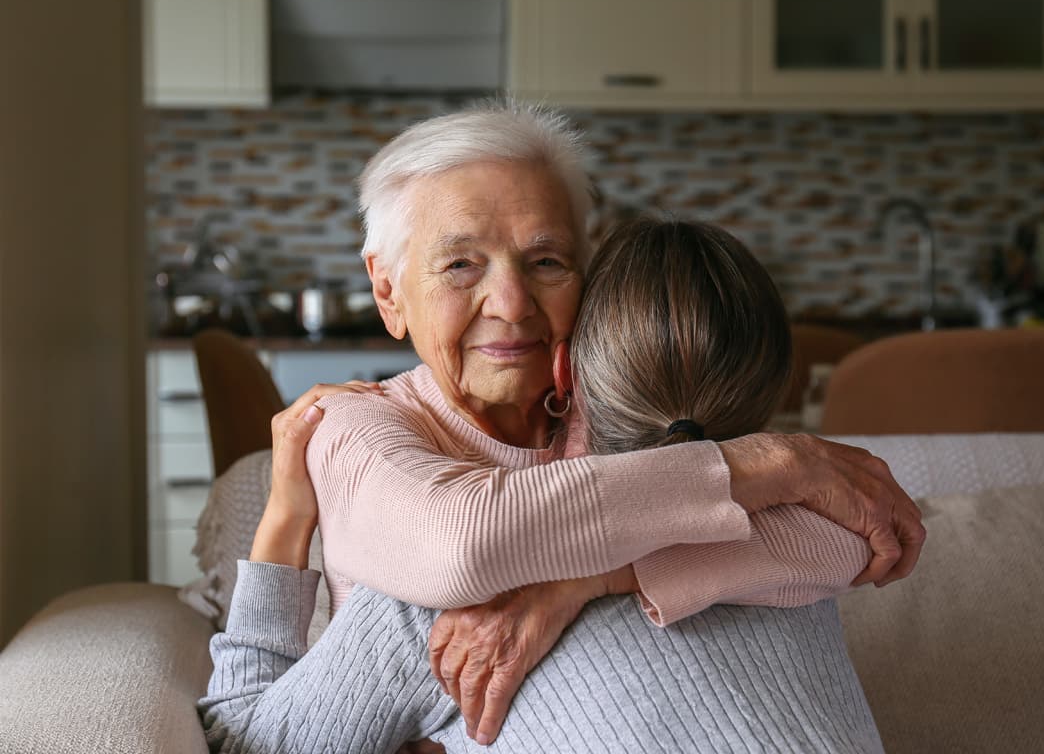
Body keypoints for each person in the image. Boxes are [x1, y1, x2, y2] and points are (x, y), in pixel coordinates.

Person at [200, 102, 923, 750]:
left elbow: (842, 540)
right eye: (460, 264)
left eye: (546, 261)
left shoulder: (630, 410)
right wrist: (764, 468)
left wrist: (579, 584)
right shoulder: (359, 428)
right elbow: (467, 544)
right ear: (387, 292)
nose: (511, 304)